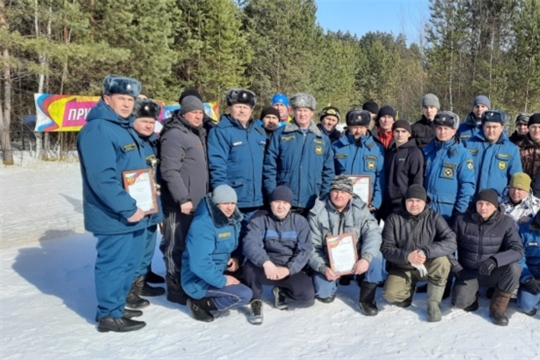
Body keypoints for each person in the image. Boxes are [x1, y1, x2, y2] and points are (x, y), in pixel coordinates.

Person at [77, 75, 149, 332]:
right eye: (121, 99)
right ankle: (109, 315)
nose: (127, 104)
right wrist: (128, 208)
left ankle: (117, 305)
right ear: (107, 99)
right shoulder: (99, 129)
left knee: (129, 262)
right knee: (114, 264)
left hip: (134, 211)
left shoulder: (123, 127)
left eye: (130, 99)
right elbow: (102, 178)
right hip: (115, 214)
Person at [308, 175, 385, 315]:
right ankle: (333, 282)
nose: (339, 195)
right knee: (323, 293)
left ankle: (366, 299)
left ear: (350, 195)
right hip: (328, 260)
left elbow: (373, 234)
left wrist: (365, 258)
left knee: (376, 257)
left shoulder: (361, 209)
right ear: (330, 192)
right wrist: (323, 267)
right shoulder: (317, 213)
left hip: (357, 255)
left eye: (343, 192)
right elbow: (312, 246)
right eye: (336, 191)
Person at [159, 95, 209, 306]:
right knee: (174, 245)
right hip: (180, 203)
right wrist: (182, 198)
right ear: (183, 113)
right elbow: (169, 170)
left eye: (200, 113)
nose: (198, 116)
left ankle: (186, 281)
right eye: (194, 113)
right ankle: (174, 286)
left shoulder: (195, 133)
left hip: (196, 202)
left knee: (190, 244)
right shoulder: (174, 135)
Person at [381, 185, 457, 322]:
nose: (414, 204)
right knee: (390, 294)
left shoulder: (434, 217)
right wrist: (407, 256)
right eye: (410, 200)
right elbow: (386, 248)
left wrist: (426, 251)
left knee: (443, 261)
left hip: (427, 265)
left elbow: (451, 241)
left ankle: (433, 304)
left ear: (425, 202)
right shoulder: (393, 219)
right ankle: (408, 291)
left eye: (418, 201)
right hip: (402, 266)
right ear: (405, 201)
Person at [242, 186, 314, 325]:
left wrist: (289, 269)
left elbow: (305, 249)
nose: (281, 206)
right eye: (277, 202)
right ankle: (256, 300)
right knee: (249, 265)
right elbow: (250, 244)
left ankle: (281, 291)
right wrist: (266, 263)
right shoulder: (259, 220)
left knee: (307, 296)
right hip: (265, 265)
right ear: (270, 203)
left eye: (285, 203)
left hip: (287, 266)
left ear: (290, 205)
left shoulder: (299, 222)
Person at [451, 189, 524, 326]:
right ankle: (473, 295)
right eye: (480, 203)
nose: (483, 207)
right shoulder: (461, 220)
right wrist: (457, 268)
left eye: (488, 204)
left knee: (515, 268)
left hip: (493, 271)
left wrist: (495, 260)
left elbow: (517, 249)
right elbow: (448, 246)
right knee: (460, 302)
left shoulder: (506, 222)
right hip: (469, 272)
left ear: (495, 206)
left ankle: (498, 308)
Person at [181, 185, 252, 322]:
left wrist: (236, 258)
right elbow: (199, 263)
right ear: (216, 203)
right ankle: (198, 304)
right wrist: (223, 281)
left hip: (220, 268)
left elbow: (234, 246)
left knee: (253, 274)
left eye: (232, 203)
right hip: (198, 280)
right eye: (225, 203)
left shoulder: (233, 220)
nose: (230, 207)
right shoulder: (203, 225)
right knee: (244, 294)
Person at [264, 93, 335, 214]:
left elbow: (328, 171)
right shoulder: (281, 134)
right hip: (285, 200)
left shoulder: (322, 138)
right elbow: (270, 166)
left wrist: (323, 197)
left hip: (313, 201)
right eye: (299, 110)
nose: (302, 114)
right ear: (293, 112)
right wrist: (273, 193)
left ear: (312, 113)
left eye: (306, 110)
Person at [208, 88, 266, 225]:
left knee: (252, 241)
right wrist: (223, 198)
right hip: (233, 200)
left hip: (257, 199)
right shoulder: (220, 132)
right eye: (238, 107)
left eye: (246, 107)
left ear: (251, 110)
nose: (242, 111)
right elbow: (217, 166)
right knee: (232, 241)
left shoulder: (259, 132)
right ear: (229, 108)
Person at [127, 99, 166, 307]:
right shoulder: (128, 142)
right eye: (144, 121)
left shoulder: (153, 142)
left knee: (148, 246)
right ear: (133, 119)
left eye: (151, 121)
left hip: (153, 203)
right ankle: (129, 290)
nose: (148, 125)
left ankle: (141, 283)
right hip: (135, 206)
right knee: (135, 248)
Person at [423, 111, 475, 222]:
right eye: (439, 128)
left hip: (448, 213)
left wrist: (459, 211)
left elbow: (467, 186)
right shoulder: (427, 151)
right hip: (425, 210)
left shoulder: (463, 155)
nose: (442, 132)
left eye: (446, 129)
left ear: (454, 131)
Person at [333, 109, 385, 214]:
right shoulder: (336, 146)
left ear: (367, 127)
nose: (358, 131)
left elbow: (381, 177)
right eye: (355, 127)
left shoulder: (376, 148)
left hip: (367, 207)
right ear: (348, 127)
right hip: (341, 205)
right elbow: (330, 174)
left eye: (362, 127)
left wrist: (376, 201)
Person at [464, 110, 522, 196]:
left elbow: (516, 179)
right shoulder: (468, 144)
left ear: (502, 127)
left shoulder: (511, 149)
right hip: (470, 200)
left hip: (497, 202)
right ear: (483, 126)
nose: (491, 130)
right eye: (488, 127)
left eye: (495, 127)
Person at [380, 120, 424, 220]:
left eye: (403, 131)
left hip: (403, 204)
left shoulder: (414, 153)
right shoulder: (390, 152)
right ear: (393, 133)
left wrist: (413, 202)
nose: (400, 134)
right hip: (387, 203)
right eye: (397, 131)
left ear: (409, 134)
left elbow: (417, 180)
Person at [517, 211, 540, 316]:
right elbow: (519, 257)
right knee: (526, 305)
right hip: (530, 272)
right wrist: (527, 278)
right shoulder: (525, 229)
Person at [516, 113, 540, 183]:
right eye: (533, 127)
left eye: (539, 127)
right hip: (522, 187)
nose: (536, 130)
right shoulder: (518, 147)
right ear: (528, 128)